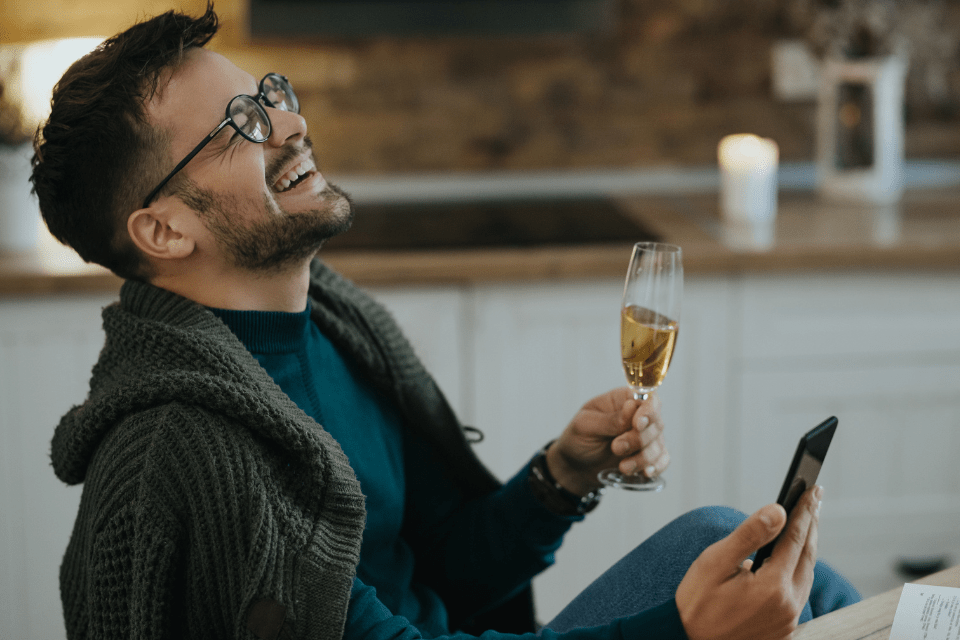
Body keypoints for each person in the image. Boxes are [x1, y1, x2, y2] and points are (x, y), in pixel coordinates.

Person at [31, 5, 860, 639]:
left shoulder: (338, 326)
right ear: (165, 231)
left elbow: (445, 567)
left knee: (781, 575)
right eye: (241, 125)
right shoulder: (193, 454)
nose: (291, 123)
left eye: (269, 94)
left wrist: (560, 479)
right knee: (736, 553)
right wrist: (679, 630)